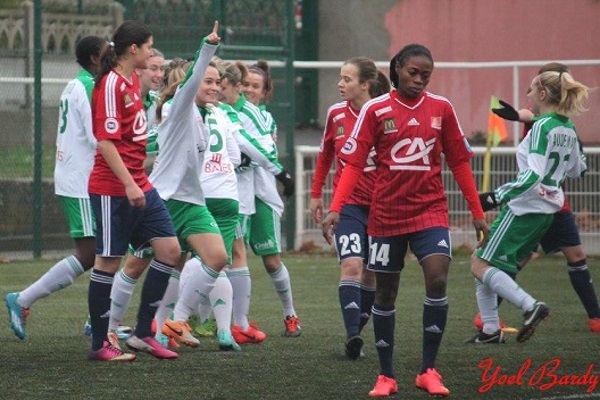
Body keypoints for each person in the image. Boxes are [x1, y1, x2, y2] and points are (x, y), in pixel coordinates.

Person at [322, 44, 488, 398]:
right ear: (396, 68)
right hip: (385, 215)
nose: (419, 79)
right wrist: (335, 207)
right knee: (385, 291)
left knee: (438, 275)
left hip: (430, 210)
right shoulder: (375, 109)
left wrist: (477, 211)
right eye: (413, 72)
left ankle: (428, 369)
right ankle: (386, 375)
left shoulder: (441, 108)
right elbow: (353, 164)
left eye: (426, 75)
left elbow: (458, 161)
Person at [475, 62, 600, 334]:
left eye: (531, 89)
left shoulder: (541, 126)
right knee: (495, 263)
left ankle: (529, 306)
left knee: (480, 263)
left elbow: (532, 176)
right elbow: (581, 169)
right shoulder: (568, 128)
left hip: (525, 206)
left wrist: (493, 197)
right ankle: (489, 329)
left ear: (543, 94)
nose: (528, 94)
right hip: (549, 207)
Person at [87, 20, 182, 362]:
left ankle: (143, 333)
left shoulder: (131, 80)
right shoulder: (112, 83)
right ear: (133, 49)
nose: (152, 53)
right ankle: (100, 343)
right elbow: (106, 142)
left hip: (140, 184)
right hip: (114, 189)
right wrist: (128, 183)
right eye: (148, 47)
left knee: (170, 251)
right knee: (108, 262)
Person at [145, 24, 240, 351]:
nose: (216, 87)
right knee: (130, 264)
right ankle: (109, 328)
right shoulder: (180, 106)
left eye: (218, 83)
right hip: (165, 199)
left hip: (192, 201)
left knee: (217, 257)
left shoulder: (208, 114)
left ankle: (176, 320)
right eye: (209, 82)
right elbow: (191, 81)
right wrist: (208, 47)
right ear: (190, 85)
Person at [5, 36, 106, 340]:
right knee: (95, 252)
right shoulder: (88, 86)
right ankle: (25, 300)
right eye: (107, 55)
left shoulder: (78, 84)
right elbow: (96, 136)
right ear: (94, 59)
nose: (112, 60)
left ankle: (99, 320)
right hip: (82, 180)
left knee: (104, 250)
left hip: (77, 177)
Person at [309, 57, 389, 360]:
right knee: (352, 265)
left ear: (365, 84)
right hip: (349, 206)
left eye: (347, 79)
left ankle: (356, 330)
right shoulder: (336, 114)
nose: (340, 84)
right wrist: (317, 194)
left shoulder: (384, 113)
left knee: (371, 275)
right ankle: (353, 335)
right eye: (340, 78)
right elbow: (326, 154)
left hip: (382, 207)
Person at [218, 60, 300, 340]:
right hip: (234, 194)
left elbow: (260, 153)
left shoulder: (261, 117)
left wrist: (242, 158)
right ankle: (228, 321)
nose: (250, 89)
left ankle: (290, 314)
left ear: (265, 93)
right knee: (225, 257)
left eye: (256, 86)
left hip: (262, 194)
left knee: (271, 260)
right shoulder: (221, 109)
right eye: (247, 84)